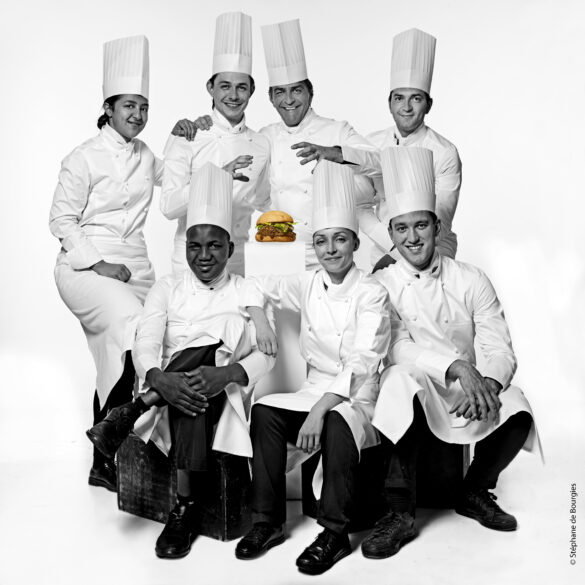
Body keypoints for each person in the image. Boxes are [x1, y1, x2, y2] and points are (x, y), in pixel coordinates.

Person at [360, 146, 542, 559]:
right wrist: (457, 366)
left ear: (436, 225)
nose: (412, 238)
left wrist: (489, 383)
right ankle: (399, 513)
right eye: (402, 229)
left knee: (518, 407)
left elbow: (498, 345)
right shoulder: (381, 284)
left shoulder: (471, 278)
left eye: (420, 225)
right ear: (391, 234)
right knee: (398, 380)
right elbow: (395, 348)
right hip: (419, 386)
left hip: (464, 392)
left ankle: (474, 491)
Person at [87, 162, 275, 559]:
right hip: (172, 391)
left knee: (220, 332)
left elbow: (267, 357)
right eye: (195, 246)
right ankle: (187, 506)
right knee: (191, 390)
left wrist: (227, 372)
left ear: (230, 249)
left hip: (225, 393)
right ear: (185, 246)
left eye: (214, 246)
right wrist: (159, 378)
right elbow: (146, 342)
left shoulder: (248, 291)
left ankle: (133, 413)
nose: (204, 256)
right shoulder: (167, 288)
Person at [234, 161, 391, 575]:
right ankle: (267, 523)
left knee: (337, 421)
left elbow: (363, 362)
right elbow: (255, 284)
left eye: (340, 239)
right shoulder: (306, 283)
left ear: (355, 242)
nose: (330, 249)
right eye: (322, 241)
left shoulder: (372, 292)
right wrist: (261, 320)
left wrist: (320, 410)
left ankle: (334, 534)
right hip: (313, 388)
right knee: (264, 411)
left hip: (357, 398)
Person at [49, 35, 185, 492]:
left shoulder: (145, 155)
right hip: (83, 269)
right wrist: (99, 264)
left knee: (133, 348)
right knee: (130, 326)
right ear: (108, 108)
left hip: (137, 269)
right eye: (129, 106)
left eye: (144, 107)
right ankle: (110, 450)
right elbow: (61, 220)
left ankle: (105, 460)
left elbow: (179, 180)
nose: (138, 115)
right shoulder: (82, 157)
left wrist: (193, 142)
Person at [259, 18, 380, 269]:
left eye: (296, 90)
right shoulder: (266, 136)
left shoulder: (337, 130)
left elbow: (381, 163)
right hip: (280, 254)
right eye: (280, 92)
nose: (288, 100)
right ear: (270, 98)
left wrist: (335, 154)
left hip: (328, 254)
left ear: (310, 92)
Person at [162, 12, 270, 276]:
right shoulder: (188, 135)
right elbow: (169, 207)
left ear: (252, 91)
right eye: (224, 86)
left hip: (239, 259)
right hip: (190, 261)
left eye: (241, 87)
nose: (233, 95)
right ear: (210, 87)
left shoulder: (261, 143)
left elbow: (265, 201)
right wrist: (216, 178)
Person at [343, 28, 462, 268]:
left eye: (416, 98)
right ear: (389, 103)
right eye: (399, 98)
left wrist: (402, 253)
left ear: (429, 104)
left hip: (435, 249)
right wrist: (392, 248)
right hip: (383, 248)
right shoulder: (371, 143)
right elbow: (359, 204)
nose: (406, 107)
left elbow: (442, 218)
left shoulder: (445, 152)